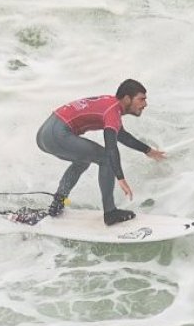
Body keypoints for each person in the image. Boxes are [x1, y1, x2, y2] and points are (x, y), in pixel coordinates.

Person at [36, 79, 167, 225]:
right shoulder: (112, 111)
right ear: (127, 98)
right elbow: (111, 147)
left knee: (83, 160)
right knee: (105, 158)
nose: (145, 104)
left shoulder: (111, 105)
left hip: (45, 135)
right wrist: (120, 178)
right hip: (57, 134)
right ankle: (110, 212)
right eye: (141, 99)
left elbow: (121, 135)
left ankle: (59, 201)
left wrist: (148, 150)